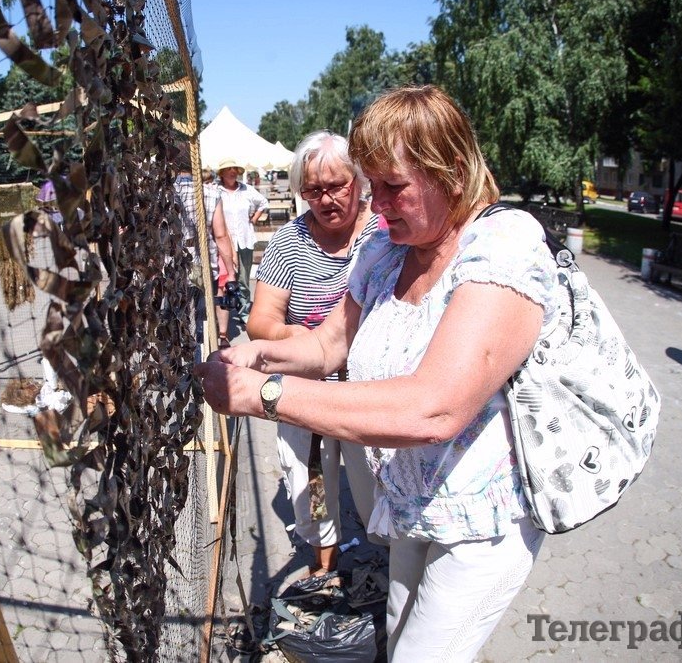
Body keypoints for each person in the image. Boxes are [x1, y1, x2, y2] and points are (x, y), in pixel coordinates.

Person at [196, 85, 559, 660]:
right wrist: (256, 355)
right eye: (372, 184)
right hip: (413, 500)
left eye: (393, 186)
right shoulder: (385, 251)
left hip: (481, 521)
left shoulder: (502, 248)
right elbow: (328, 346)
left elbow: (434, 408)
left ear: (452, 171)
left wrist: (262, 394)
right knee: (396, 629)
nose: (377, 203)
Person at [246, 130, 379, 576]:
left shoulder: (383, 230)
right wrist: (296, 335)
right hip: (308, 391)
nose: (324, 199)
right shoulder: (290, 241)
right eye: (312, 190)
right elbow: (259, 319)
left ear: (358, 181)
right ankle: (325, 563)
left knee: (375, 481)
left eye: (336, 186)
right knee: (314, 476)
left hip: (370, 391)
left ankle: (389, 554)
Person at [172, 143, 239, 348]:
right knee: (203, 315)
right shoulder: (210, 193)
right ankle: (200, 355)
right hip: (203, 264)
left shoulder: (166, 192)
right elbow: (220, 235)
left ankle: (179, 353)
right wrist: (230, 270)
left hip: (172, 264)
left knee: (175, 314)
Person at [215, 158, 268, 306]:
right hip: (224, 241)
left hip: (244, 240)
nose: (232, 172)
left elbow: (263, 202)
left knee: (243, 279)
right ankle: (226, 308)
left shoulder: (246, 189)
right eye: (229, 169)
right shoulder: (216, 190)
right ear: (222, 173)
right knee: (225, 277)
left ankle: (244, 311)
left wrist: (254, 219)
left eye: (235, 170)